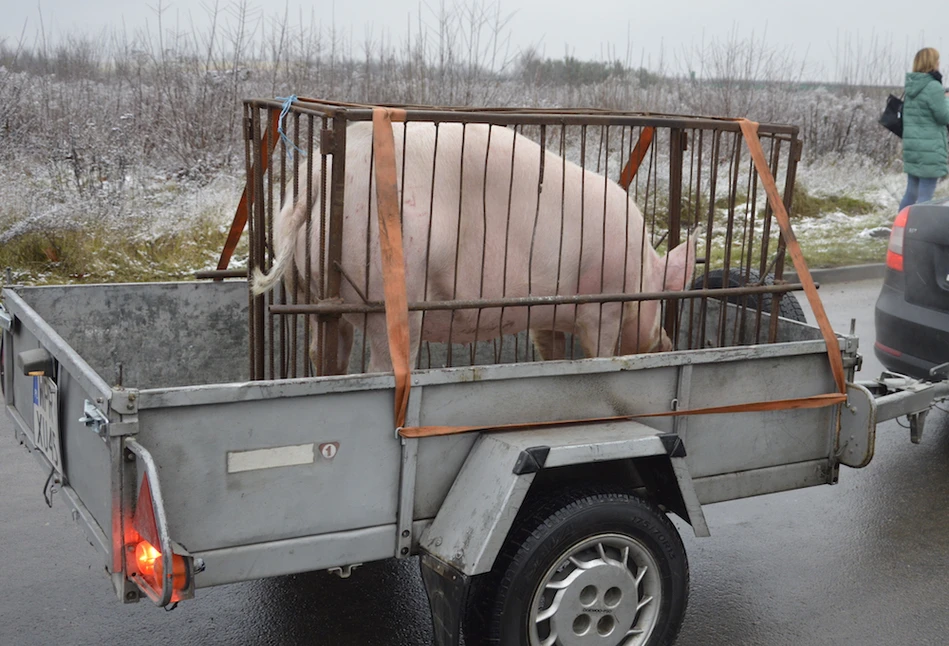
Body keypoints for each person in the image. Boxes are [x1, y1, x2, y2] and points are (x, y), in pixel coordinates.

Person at [899, 47, 949, 211]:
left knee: (911, 193)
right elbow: (944, 117)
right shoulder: (933, 86)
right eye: (937, 59)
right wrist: (946, 100)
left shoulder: (912, 85)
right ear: (931, 62)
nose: (939, 63)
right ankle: (916, 231)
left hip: (913, 147)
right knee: (925, 197)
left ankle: (900, 228)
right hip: (930, 148)